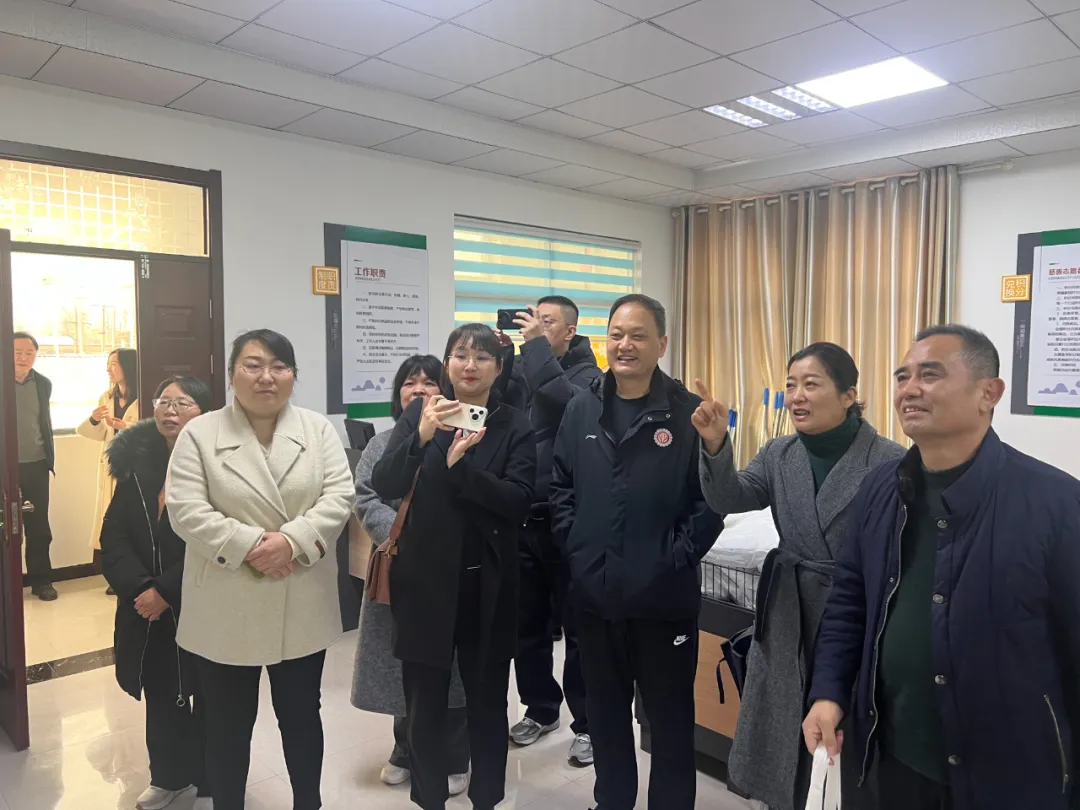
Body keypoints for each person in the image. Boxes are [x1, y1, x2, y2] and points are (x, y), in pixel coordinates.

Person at [803, 325, 1080, 810]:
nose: (909, 389)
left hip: (1010, 777)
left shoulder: (1054, 502)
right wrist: (828, 692)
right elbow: (850, 600)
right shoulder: (880, 489)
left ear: (988, 393)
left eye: (930, 375)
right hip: (893, 760)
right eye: (902, 376)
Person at [694, 342, 904, 810]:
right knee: (782, 720)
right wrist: (715, 444)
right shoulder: (779, 452)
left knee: (840, 724)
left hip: (853, 611)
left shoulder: (888, 460)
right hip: (788, 610)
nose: (797, 396)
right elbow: (730, 497)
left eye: (811, 384)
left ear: (849, 395)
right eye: (790, 385)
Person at [165, 329, 353, 810]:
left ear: (293, 375)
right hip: (226, 603)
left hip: (301, 598)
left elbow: (339, 496)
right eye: (252, 365)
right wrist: (251, 546)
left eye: (279, 366)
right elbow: (185, 510)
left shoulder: (317, 430)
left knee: (302, 716)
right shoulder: (200, 434)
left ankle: (308, 802)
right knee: (227, 726)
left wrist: (292, 542)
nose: (266, 376)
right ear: (232, 375)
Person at [550, 294, 722, 810]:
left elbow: (711, 502)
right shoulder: (583, 406)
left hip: (664, 601)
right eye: (617, 334)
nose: (625, 345)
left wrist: (673, 558)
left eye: (639, 335)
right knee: (605, 719)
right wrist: (579, 548)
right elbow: (560, 487)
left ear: (661, 344)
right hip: (595, 598)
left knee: (669, 723)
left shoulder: (688, 413)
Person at [372, 324, 536, 810]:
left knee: (487, 704)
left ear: (498, 368)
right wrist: (422, 436)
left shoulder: (514, 424)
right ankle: (429, 799)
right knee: (423, 705)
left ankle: (487, 798)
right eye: (461, 355)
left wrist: (463, 471)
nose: (470, 365)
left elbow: (519, 502)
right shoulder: (422, 413)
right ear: (447, 364)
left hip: (489, 586)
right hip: (424, 585)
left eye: (482, 357)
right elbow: (385, 482)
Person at [350, 354, 471, 796]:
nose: (418, 389)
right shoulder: (382, 443)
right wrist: (400, 540)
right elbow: (366, 497)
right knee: (399, 666)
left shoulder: (461, 437)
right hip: (397, 569)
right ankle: (405, 749)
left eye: (429, 382)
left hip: (448, 573)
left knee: (449, 669)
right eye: (409, 382)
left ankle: (455, 755)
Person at [100, 375, 214, 810]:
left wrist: (167, 590)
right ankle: (168, 777)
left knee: (212, 694)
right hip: (147, 606)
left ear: (204, 413)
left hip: (204, 601)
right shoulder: (136, 466)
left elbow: (220, 541)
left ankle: (212, 776)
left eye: (183, 403)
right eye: (164, 401)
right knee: (162, 693)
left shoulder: (219, 466)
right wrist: (142, 589)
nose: (170, 410)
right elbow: (114, 536)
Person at [502, 296, 600, 766]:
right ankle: (541, 709)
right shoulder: (526, 365)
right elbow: (502, 410)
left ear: (569, 331)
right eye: (534, 320)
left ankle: (589, 724)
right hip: (523, 517)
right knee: (528, 626)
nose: (537, 327)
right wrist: (504, 358)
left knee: (579, 630)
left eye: (548, 322)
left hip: (568, 521)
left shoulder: (590, 375)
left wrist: (534, 349)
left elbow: (567, 403)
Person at [79, 347, 139, 596]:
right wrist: (95, 419)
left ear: (129, 366)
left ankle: (137, 575)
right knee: (113, 523)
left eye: (114, 363)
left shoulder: (145, 394)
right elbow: (100, 433)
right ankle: (117, 576)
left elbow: (151, 431)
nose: (108, 369)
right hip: (113, 467)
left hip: (136, 467)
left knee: (135, 522)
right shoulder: (107, 397)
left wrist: (125, 427)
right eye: (108, 363)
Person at [14, 332, 57, 602]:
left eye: (29, 353)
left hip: (36, 465)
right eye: (17, 352)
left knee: (38, 526)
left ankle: (41, 581)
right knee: (6, 526)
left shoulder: (42, 383)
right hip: (5, 468)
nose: (23, 358)